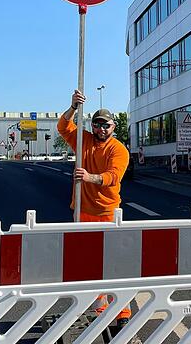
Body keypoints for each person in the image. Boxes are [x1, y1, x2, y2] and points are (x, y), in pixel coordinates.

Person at [57, 89, 131, 329]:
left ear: (113, 127)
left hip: (107, 212)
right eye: (97, 125)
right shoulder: (84, 139)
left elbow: (113, 176)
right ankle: (100, 308)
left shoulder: (118, 149)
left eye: (106, 125)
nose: (101, 129)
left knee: (113, 262)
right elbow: (63, 127)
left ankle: (122, 312)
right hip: (81, 211)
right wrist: (73, 107)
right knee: (88, 262)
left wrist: (90, 177)